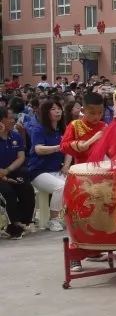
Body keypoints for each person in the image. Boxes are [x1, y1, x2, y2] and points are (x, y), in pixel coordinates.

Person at [27, 100, 71, 233]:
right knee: (60, 187)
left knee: (74, 185)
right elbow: (39, 149)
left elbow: (69, 149)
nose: (58, 111)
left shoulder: (64, 129)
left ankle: (69, 217)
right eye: (53, 109)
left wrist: (66, 166)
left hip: (57, 170)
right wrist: (58, 147)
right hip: (38, 172)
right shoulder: (38, 129)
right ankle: (53, 219)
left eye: (59, 108)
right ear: (46, 113)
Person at [0, 108, 35, 239]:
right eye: (10, 118)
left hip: (11, 171)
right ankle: (13, 225)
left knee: (27, 188)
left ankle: (24, 221)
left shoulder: (15, 136)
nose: (13, 120)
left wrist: (7, 171)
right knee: (8, 193)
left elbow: (21, 157)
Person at [60, 92, 106, 164]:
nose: (97, 117)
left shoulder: (104, 126)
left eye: (100, 112)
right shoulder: (75, 125)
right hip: (81, 167)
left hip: (102, 166)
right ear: (83, 111)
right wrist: (76, 144)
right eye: (92, 113)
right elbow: (63, 146)